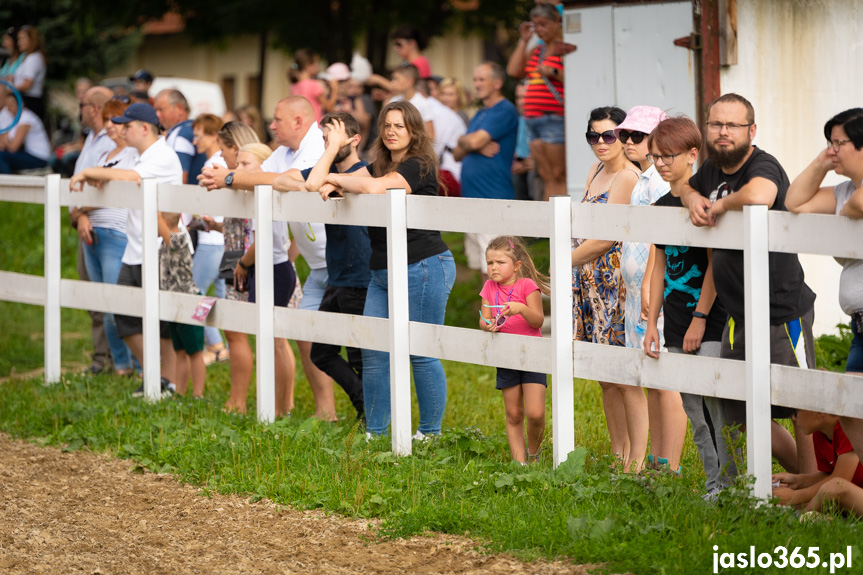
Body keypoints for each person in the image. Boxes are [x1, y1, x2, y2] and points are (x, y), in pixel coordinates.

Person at [679, 93, 817, 474]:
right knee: (740, 410)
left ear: (751, 130)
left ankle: (813, 488)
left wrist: (719, 206)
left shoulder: (763, 164)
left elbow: (761, 195)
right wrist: (693, 197)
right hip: (738, 314)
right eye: (715, 124)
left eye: (732, 125)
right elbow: (685, 188)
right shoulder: (711, 168)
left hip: (780, 309)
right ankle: (799, 481)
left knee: (801, 409)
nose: (722, 133)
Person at [319, 100, 456, 439]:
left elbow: (373, 187)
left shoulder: (418, 164)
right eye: (387, 125)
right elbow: (317, 182)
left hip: (423, 265)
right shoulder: (379, 163)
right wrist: (334, 169)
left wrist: (337, 179)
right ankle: (376, 432)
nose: (392, 131)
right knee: (374, 351)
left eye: (400, 125)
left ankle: (429, 433)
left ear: (413, 131)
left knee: (421, 351)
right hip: (381, 271)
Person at [200, 96, 331, 418]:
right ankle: (310, 409)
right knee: (278, 334)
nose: (270, 126)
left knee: (295, 338)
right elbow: (271, 178)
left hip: (283, 260)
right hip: (267, 257)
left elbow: (289, 184)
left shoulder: (312, 148)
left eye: (277, 120)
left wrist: (230, 178)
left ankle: (279, 405)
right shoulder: (281, 153)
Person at [643, 116, 736, 495]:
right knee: (695, 411)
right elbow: (660, 265)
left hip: (712, 318)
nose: (661, 163)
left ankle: (734, 486)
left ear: (692, 154)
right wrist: (652, 322)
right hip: (676, 319)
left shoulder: (708, 200)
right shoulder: (661, 205)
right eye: (655, 157)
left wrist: (700, 317)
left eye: (669, 155)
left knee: (716, 405)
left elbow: (716, 262)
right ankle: (714, 485)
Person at [70, 102, 184, 397]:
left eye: (127, 125)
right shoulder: (136, 153)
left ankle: (166, 382)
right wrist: (98, 174)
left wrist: (91, 173)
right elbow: (117, 173)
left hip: (162, 247)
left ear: (144, 128)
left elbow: (131, 177)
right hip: (136, 247)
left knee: (162, 321)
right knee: (123, 314)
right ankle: (155, 376)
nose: (121, 130)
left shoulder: (161, 154)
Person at [273, 113, 372, 422]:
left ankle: (372, 416)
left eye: (333, 138)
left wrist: (329, 165)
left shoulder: (365, 172)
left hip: (360, 276)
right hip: (336, 275)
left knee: (359, 354)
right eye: (325, 139)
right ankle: (364, 403)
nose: (327, 144)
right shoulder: (325, 171)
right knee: (321, 352)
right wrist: (327, 160)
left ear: (354, 140)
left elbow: (314, 182)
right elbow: (281, 180)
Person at [785, 108, 863, 466]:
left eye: (839, 143)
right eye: (828, 143)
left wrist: (848, 206)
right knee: (851, 410)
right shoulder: (845, 189)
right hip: (860, 326)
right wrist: (821, 162)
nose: (832, 150)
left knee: (852, 408)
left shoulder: (852, 195)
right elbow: (794, 201)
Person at [614, 106, 685, 473]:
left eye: (637, 137)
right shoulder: (641, 179)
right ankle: (658, 461)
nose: (628, 142)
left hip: (654, 292)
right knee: (649, 377)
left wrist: (646, 285)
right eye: (624, 135)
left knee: (665, 379)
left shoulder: (660, 180)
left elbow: (661, 242)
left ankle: (670, 465)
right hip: (636, 292)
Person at [572, 106, 642, 471]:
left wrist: (563, 259)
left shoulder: (628, 178)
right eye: (593, 136)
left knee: (620, 373)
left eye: (609, 135)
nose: (601, 143)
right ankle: (618, 452)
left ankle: (634, 456)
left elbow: (605, 239)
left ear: (624, 136)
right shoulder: (595, 169)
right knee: (603, 376)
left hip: (614, 283)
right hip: (589, 281)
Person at [74, 96, 137, 378]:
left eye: (117, 120)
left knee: (116, 304)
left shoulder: (133, 155)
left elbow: (113, 192)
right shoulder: (103, 155)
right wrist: (83, 216)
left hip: (115, 233)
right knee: (102, 302)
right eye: (109, 120)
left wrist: (83, 209)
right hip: (92, 234)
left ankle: (136, 364)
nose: (110, 125)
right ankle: (120, 365)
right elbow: (89, 193)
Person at [479, 236, 550, 463]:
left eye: (500, 262)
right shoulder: (489, 287)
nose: (494, 268)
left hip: (532, 355)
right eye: (490, 263)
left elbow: (538, 320)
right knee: (514, 413)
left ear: (517, 266)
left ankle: (534, 454)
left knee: (535, 413)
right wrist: (486, 325)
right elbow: (484, 317)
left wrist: (521, 308)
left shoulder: (527, 286)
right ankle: (520, 465)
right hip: (506, 355)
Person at [452, 62, 519, 272]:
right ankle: (485, 307)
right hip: (472, 199)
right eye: (475, 80)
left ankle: (501, 307)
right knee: (482, 267)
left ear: (497, 83)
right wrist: (472, 144)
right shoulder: (480, 113)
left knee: (496, 268)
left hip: (493, 198)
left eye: (482, 79)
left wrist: (470, 143)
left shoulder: (504, 110)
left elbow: (469, 143)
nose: (477, 84)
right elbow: (457, 152)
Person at [507, 3, 571, 200]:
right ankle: (550, 227)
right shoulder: (537, 50)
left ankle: (560, 226)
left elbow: (577, 79)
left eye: (543, 24)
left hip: (553, 118)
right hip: (532, 120)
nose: (539, 30)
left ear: (557, 22)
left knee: (558, 174)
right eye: (536, 25)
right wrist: (524, 41)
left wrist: (553, 72)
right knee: (545, 175)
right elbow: (513, 71)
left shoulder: (566, 47)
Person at [190, 113, 230, 365]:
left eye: (198, 135)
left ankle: (215, 345)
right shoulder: (223, 162)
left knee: (194, 293)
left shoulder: (213, 164)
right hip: (223, 240)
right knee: (222, 298)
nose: (194, 141)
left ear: (215, 136)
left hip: (211, 241)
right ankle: (225, 346)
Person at [772, 410, 863, 510]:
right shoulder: (819, 434)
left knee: (833, 488)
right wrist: (798, 480)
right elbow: (829, 475)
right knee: (824, 493)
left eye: (796, 411)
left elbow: (840, 480)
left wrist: (794, 496)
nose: (794, 417)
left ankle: (802, 518)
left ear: (820, 413)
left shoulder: (846, 428)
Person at [158, 212, 206, 398]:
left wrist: (156, 214)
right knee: (180, 351)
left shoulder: (179, 239)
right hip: (173, 303)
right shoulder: (164, 241)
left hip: (188, 301)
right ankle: (180, 391)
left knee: (194, 351)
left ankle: (198, 394)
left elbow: (159, 223)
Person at [0, 90, 50, 173]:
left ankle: (6, 183)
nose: (9, 107)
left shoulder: (26, 118)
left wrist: (5, 141)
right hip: (29, 154)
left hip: (39, 158)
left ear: (21, 104)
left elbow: (13, 147)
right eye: (7, 105)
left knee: (1, 156)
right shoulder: (14, 118)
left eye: (11, 104)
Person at [289, 49, 337, 123]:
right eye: (316, 63)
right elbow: (329, 107)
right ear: (308, 65)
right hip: (314, 126)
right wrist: (335, 88)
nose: (318, 67)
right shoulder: (314, 85)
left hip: (301, 127)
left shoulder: (294, 85)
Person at [13, 26, 46, 124]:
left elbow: (27, 84)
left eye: (23, 38)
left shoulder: (33, 58)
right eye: (19, 39)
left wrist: (10, 88)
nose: (19, 42)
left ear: (32, 39)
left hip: (30, 102)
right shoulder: (28, 57)